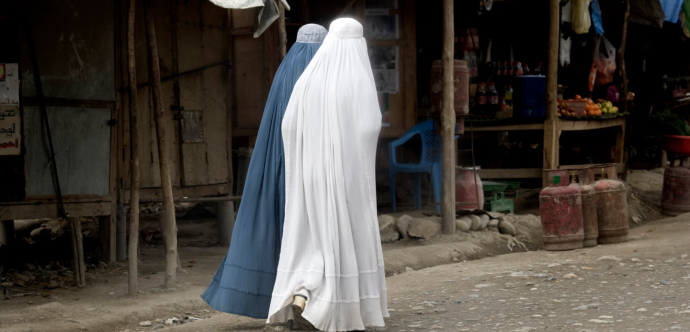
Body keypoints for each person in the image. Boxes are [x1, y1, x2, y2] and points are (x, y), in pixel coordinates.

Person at [266, 18, 388, 332]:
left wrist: (307, 157)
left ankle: (302, 295)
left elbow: (288, 125)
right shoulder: (356, 79)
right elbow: (370, 126)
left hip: (310, 176)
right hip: (347, 178)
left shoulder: (310, 78)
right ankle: (339, 308)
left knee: (310, 237)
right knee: (343, 239)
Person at [200, 24, 328, 320]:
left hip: (278, 166)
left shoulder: (286, 69)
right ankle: (309, 304)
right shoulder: (318, 70)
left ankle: (280, 304)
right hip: (307, 170)